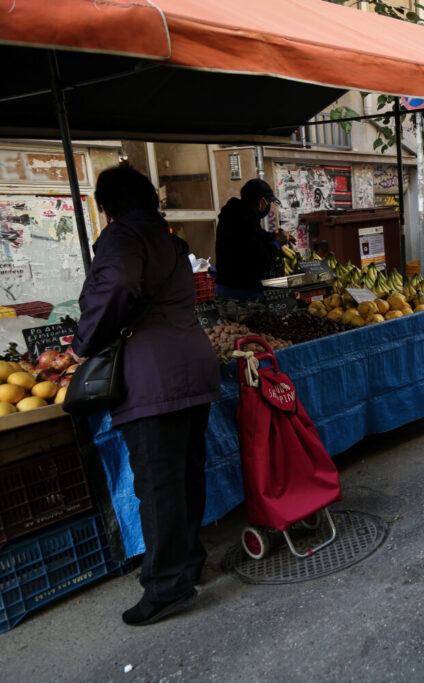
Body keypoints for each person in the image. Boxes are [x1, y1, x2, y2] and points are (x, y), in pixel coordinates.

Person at [72, 164, 220, 625]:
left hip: (153, 376)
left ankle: (167, 586)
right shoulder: (170, 240)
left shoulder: (122, 238)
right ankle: (188, 563)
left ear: (109, 205)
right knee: (186, 474)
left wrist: (82, 345)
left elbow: (115, 286)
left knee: (158, 484)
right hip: (192, 365)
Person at [213, 178, 293, 320]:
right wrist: (276, 244)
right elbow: (260, 259)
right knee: (251, 340)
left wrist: (272, 236)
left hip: (224, 294)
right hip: (242, 300)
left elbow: (253, 238)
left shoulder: (234, 217)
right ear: (262, 202)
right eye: (269, 202)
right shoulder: (245, 222)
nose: (268, 207)